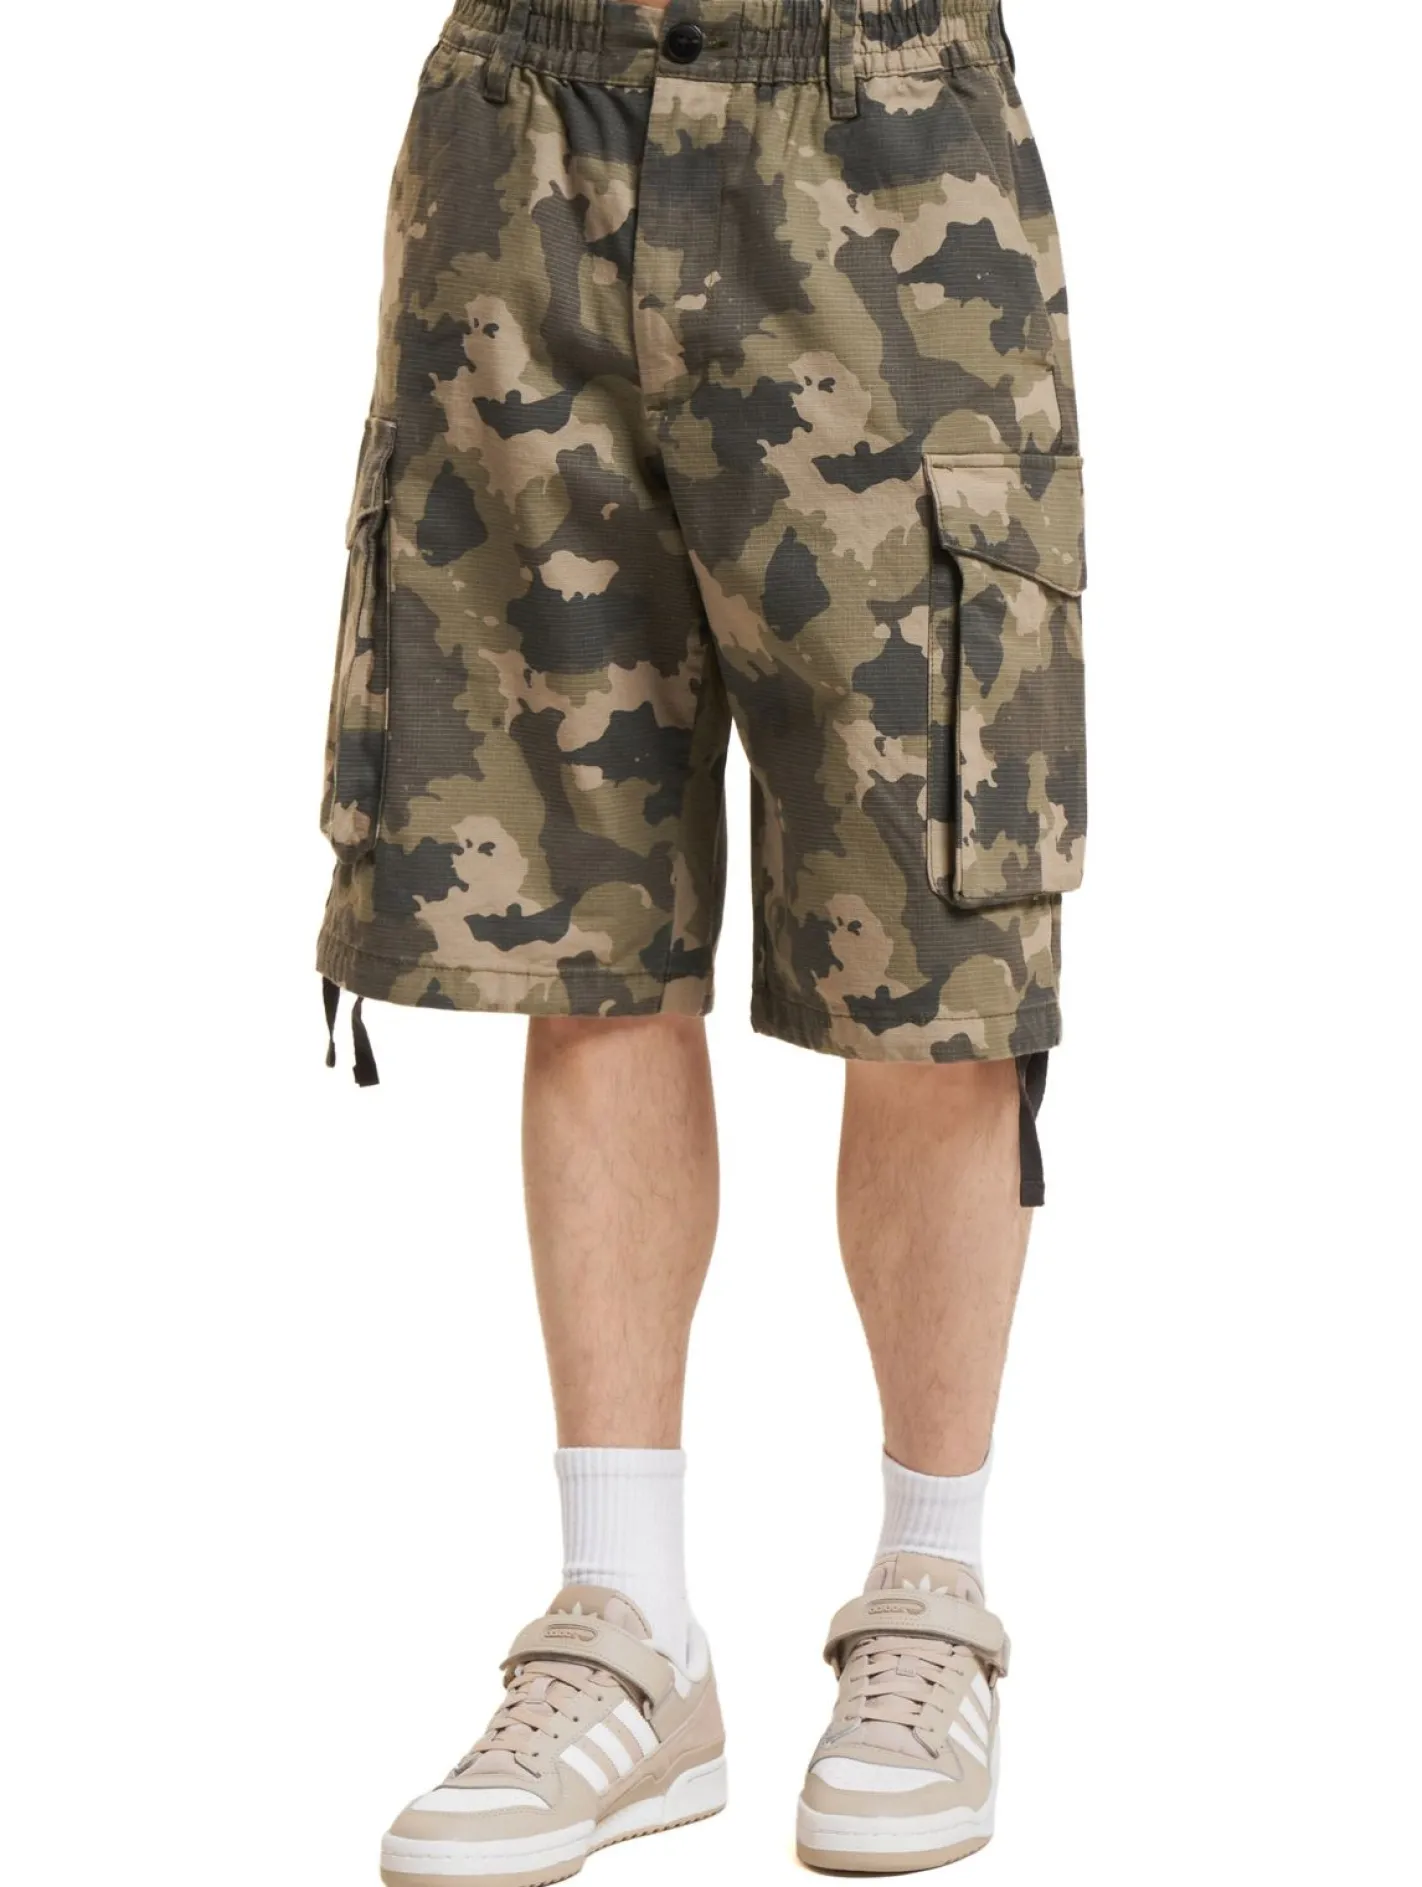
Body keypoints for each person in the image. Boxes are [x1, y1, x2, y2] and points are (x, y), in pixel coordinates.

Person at [317, 0, 1086, 1877]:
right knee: (574, 930)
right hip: (517, 127)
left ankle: (927, 1593)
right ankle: (631, 1633)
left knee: (929, 943)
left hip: (876, 140)